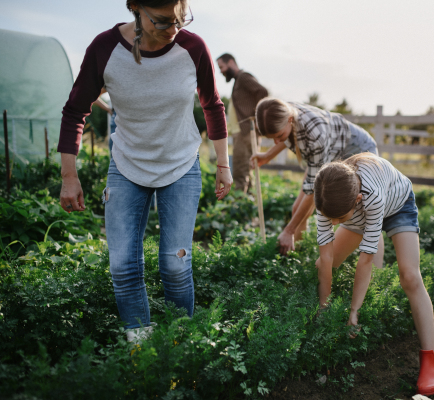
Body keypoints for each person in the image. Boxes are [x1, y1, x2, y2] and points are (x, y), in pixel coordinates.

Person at [57, 0, 232, 342]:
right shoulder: (105, 48)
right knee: (123, 267)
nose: (174, 29)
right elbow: (75, 110)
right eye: (164, 21)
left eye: (181, 19)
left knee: (175, 265)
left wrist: (223, 164)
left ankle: (179, 347)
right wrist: (68, 176)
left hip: (181, 165)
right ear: (136, 8)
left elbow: (212, 105)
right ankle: (143, 353)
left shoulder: (192, 47)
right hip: (127, 166)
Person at [313, 153, 434, 396]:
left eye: (336, 220)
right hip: (353, 210)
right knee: (322, 264)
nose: (331, 223)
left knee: (409, 276)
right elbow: (327, 260)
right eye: (328, 219)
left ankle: (430, 361)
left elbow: (366, 260)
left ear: (358, 199)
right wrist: (323, 307)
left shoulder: (371, 197)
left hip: (397, 204)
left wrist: (354, 311)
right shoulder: (326, 200)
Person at [252, 98, 384, 265]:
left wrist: (288, 230)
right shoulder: (281, 112)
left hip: (358, 150)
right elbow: (286, 136)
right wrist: (267, 156)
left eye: (279, 136)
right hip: (329, 152)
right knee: (297, 210)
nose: (277, 142)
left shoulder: (315, 135)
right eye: (272, 138)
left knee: (365, 214)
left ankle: (377, 275)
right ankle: (297, 261)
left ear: (290, 120)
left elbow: (315, 190)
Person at [216, 53, 268, 193]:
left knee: (240, 171)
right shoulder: (237, 81)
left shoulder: (244, 77)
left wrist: (259, 119)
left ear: (231, 62)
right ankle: (248, 207)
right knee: (245, 170)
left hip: (246, 132)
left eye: (222, 67)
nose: (221, 71)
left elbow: (263, 92)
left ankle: (240, 206)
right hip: (240, 132)